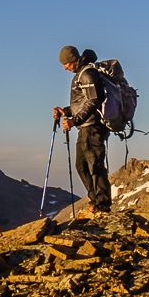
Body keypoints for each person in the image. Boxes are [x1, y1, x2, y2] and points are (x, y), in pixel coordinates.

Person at [52, 44, 112, 214]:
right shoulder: (81, 74)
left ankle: (102, 206)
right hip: (85, 126)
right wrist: (66, 111)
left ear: (72, 60)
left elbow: (95, 100)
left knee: (96, 166)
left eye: (65, 64)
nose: (64, 67)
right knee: (82, 166)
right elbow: (82, 103)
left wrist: (74, 121)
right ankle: (95, 200)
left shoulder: (87, 74)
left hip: (92, 127)